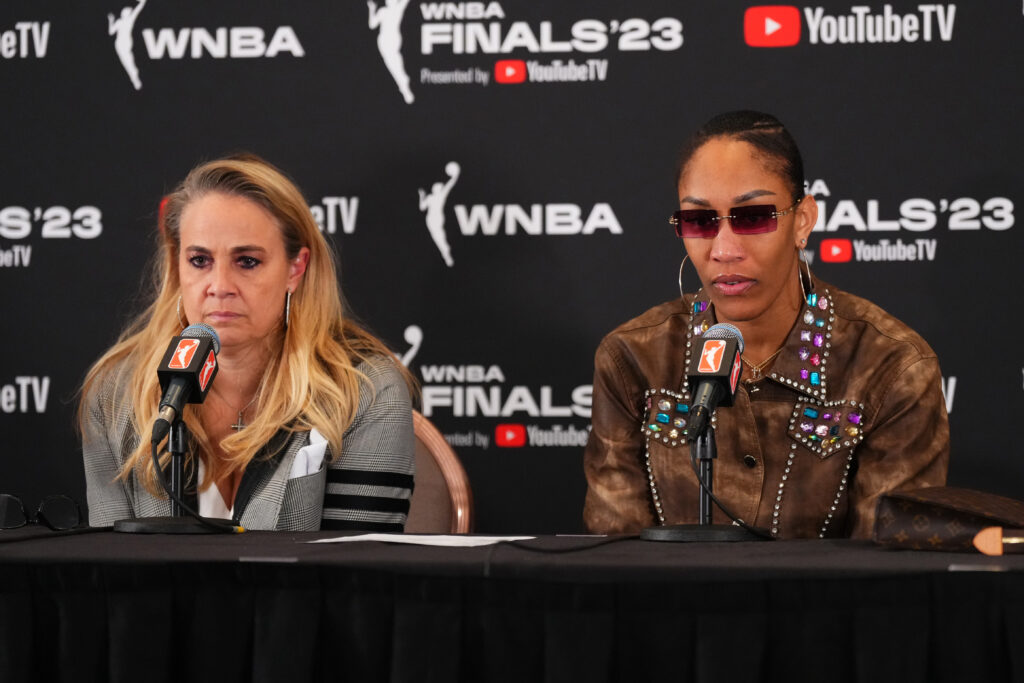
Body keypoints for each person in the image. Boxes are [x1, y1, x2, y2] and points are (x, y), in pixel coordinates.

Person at [583, 111, 949, 539]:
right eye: (700, 221)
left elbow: (882, 571)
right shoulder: (631, 358)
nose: (724, 250)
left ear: (803, 220)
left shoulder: (892, 365)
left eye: (753, 217)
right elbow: (614, 558)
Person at [81, 155, 416, 532]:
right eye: (199, 260)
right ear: (177, 266)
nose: (220, 286)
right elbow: (109, 568)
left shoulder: (365, 387)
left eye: (247, 261)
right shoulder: (115, 392)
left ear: (295, 269)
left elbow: (355, 572)